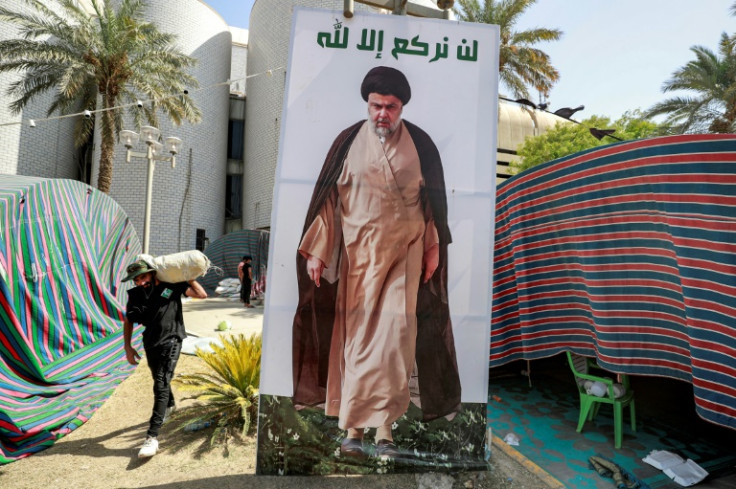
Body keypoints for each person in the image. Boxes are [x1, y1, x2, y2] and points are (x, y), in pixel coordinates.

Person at [291, 66, 461, 460]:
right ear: (367, 104)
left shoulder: (420, 144)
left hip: (405, 259)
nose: (383, 113)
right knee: (357, 346)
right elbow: (329, 201)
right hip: (360, 262)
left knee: (393, 346)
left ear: (402, 107)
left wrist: (434, 248)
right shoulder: (347, 141)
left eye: (391, 106)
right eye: (376, 105)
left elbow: (433, 205)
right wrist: (318, 248)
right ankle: (355, 431)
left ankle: (384, 429)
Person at [122, 259, 207, 458]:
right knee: (158, 378)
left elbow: (201, 295)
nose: (139, 282)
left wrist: (190, 277)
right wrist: (127, 346)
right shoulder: (135, 295)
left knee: (160, 383)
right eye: (135, 279)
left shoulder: (172, 287)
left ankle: (151, 438)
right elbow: (129, 320)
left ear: (152, 273)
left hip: (172, 340)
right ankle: (169, 406)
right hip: (150, 343)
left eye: (142, 277)